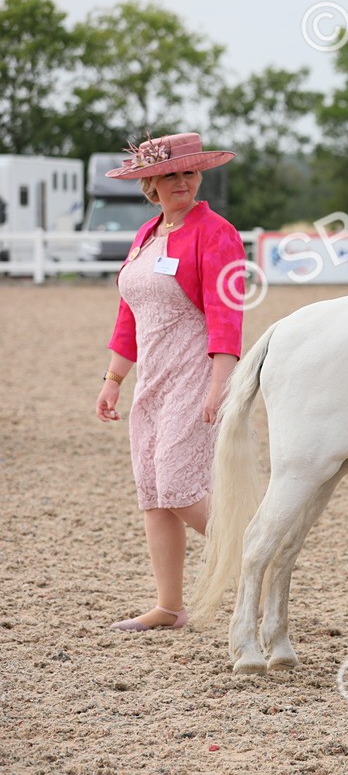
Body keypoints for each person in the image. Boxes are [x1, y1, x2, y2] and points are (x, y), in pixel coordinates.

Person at [95, 132, 244, 630]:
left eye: (189, 172)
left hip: (197, 370)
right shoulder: (145, 235)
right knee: (153, 494)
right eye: (169, 174)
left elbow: (227, 313)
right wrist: (114, 378)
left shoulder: (216, 231)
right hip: (152, 379)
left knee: (179, 488)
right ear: (150, 184)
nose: (182, 181)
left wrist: (220, 383)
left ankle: (260, 563)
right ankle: (170, 607)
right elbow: (128, 314)